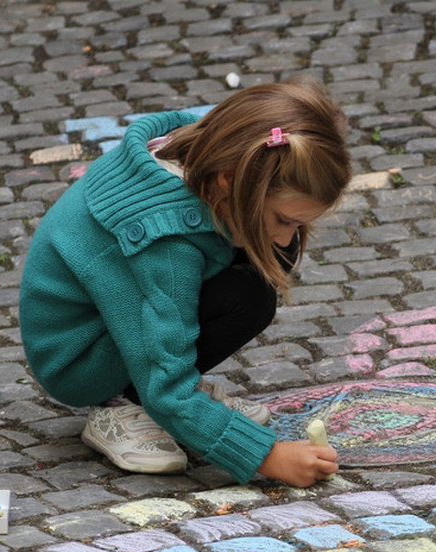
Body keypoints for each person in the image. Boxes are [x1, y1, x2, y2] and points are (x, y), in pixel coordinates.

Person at [19, 76, 352, 487]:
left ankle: (149, 393)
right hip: (77, 358)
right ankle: (117, 404)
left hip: (112, 315)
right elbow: (169, 390)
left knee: (262, 270)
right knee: (247, 290)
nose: (287, 235)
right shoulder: (166, 245)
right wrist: (267, 456)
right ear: (230, 179)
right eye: (283, 218)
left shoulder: (217, 147)